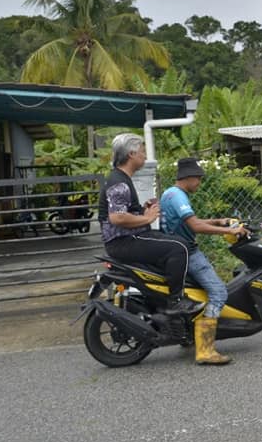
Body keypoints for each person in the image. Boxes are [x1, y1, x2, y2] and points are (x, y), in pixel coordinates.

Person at [160, 157, 249, 365]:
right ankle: (206, 349)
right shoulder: (178, 197)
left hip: (177, 252)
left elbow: (192, 222)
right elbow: (196, 227)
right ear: (188, 178)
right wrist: (228, 230)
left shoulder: (169, 193)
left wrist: (218, 221)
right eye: (198, 178)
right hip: (187, 253)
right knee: (218, 292)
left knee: (200, 292)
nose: (199, 183)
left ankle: (190, 333)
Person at [98, 133, 198, 315]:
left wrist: (142, 210)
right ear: (131, 154)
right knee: (179, 247)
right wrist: (147, 218)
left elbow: (123, 212)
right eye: (142, 151)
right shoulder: (119, 182)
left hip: (127, 238)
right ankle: (175, 301)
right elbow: (117, 218)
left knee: (173, 241)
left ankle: (159, 297)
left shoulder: (121, 178)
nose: (145, 155)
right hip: (123, 242)